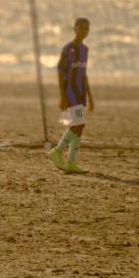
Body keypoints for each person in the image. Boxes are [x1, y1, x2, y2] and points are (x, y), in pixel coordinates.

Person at [46, 18, 94, 174]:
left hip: (81, 93)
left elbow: (84, 74)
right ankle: (57, 151)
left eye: (86, 28)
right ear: (75, 28)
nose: (83, 31)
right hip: (71, 92)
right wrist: (62, 96)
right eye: (81, 28)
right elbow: (60, 72)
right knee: (77, 124)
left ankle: (71, 162)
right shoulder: (68, 49)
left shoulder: (85, 50)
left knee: (79, 127)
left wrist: (90, 97)